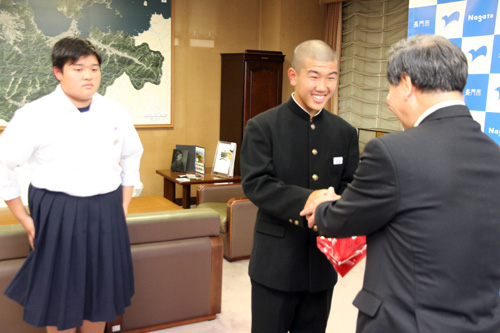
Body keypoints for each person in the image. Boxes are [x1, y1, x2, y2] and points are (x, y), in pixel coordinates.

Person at [301, 34, 500, 333]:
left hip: (406, 322)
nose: (388, 100)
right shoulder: (492, 153)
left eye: (391, 88)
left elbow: (342, 220)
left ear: (406, 83)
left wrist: (324, 205)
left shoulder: (392, 152)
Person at [0, 37, 144, 332]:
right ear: (58, 72)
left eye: (94, 68)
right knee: (60, 294)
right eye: (78, 68)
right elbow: (4, 167)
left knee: (101, 290)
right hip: (58, 209)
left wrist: (124, 205)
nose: (89, 75)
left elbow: (132, 155)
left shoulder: (115, 111)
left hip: (107, 206)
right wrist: (26, 220)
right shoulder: (34, 115)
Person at [240, 39, 359, 333]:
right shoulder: (262, 126)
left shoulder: (345, 132)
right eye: (314, 76)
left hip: (321, 265)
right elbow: (256, 183)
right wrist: (310, 199)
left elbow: (352, 184)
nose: (323, 86)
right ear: (294, 76)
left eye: (331, 77)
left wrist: (338, 204)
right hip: (275, 264)